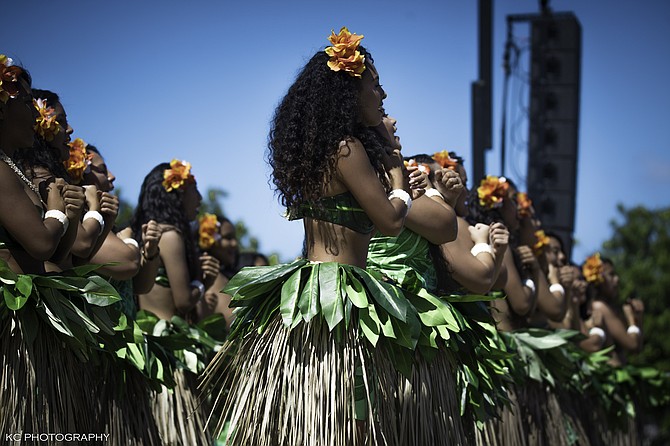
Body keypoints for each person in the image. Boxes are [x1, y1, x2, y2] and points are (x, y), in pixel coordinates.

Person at [201, 27, 420, 445]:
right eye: (375, 84)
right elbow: (391, 222)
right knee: (347, 418)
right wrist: (396, 175)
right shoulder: (347, 148)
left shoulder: (329, 149)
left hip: (316, 292)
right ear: (350, 92)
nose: (383, 94)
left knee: (319, 417)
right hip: (338, 298)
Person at [130, 160, 220, 445]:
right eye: (195, 189)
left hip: (147, 348)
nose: (201, 198)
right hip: (169, 354)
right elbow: (182, 301)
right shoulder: (171, 235)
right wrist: (201, 283)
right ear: (177, 193)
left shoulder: (155, 232)